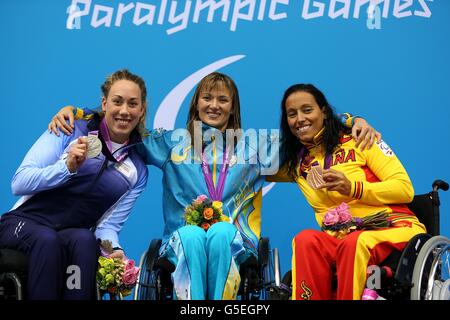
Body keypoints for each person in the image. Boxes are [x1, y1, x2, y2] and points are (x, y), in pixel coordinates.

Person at [47, 72, 378, 300]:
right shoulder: (171, 142)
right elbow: (123, 124)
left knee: (220, 232)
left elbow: (304, 128)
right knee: (192, 234)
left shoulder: (256, 145)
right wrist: (78, 112)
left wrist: (351, 120)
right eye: (207, 98)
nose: (214, 105)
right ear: (196, 103)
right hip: (179, 240)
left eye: (222, 99)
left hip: (237, 242)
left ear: (232, 106)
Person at [0, 69, 148, 299]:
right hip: (22, 223)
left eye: (132, 104)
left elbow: (107, 226)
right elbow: (19, 182)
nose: (124, 111)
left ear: (142, 110)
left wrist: (114, 250)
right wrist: (66, 168)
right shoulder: (71, 127)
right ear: (105, 103)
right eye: (117, 101)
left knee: (85, 240)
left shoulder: (137, 170)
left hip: (69, 235)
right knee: (47, 239)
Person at [272, 83, 425, 300]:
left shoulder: (361, 139)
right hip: (340, 238)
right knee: (305, 240)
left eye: (307, 110)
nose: (300, 119)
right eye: (292, 114)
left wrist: (353, 188)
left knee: (355, 242)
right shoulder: (296, 163)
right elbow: (244, 164)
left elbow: (404, 189)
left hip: (391, 226)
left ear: (324, 112)